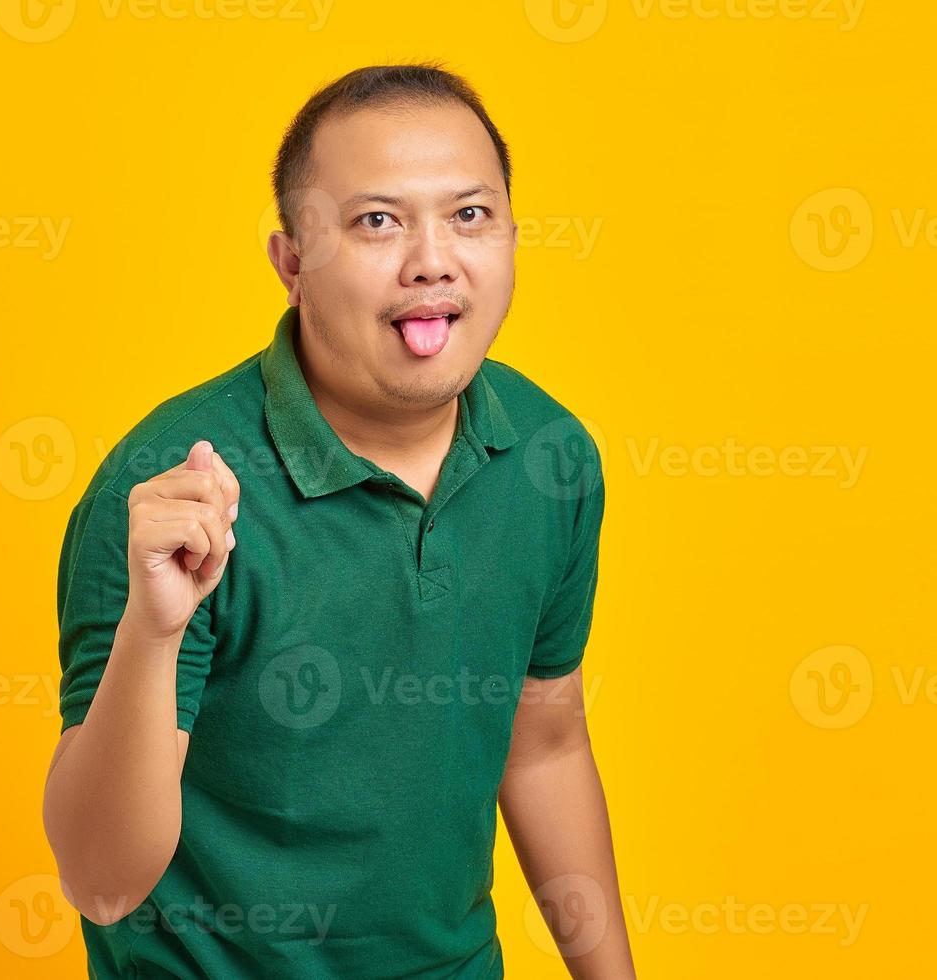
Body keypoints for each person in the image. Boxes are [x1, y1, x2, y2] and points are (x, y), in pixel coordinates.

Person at [42, 62, 637, 979]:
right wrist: (153, 631)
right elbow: (102, 882)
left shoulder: (553, 459)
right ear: (290, 265)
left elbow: (545, 743)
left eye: (469, 215)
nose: (431, 259)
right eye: (377, 221)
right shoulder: (171, 494)